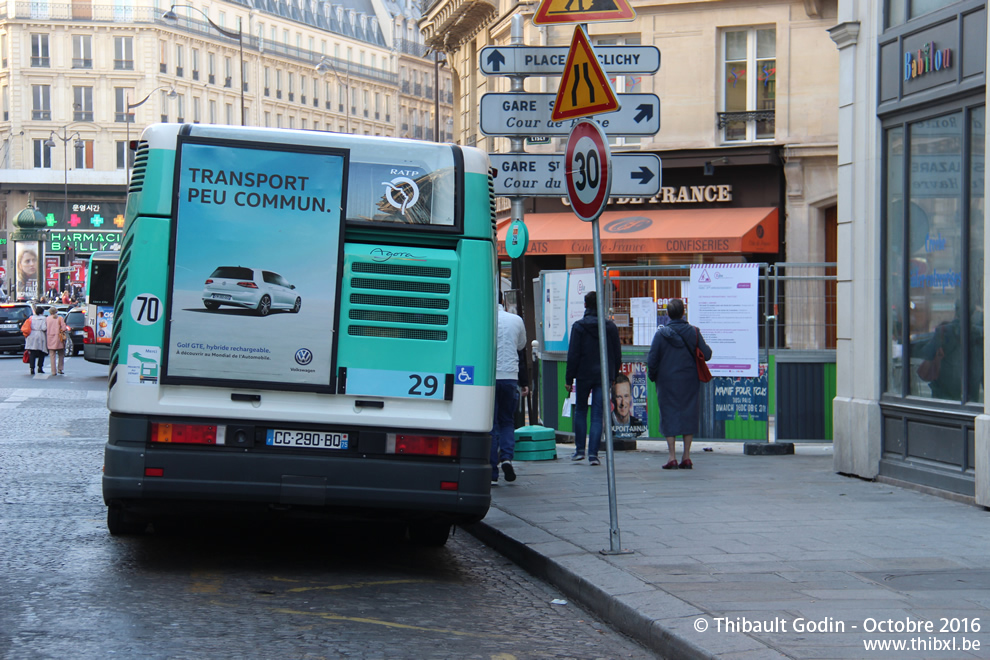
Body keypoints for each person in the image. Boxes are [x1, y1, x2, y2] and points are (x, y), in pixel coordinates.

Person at [647, 298, 712, 470]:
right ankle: (687, 456)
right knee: (689, 414)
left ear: (667, 314)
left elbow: (652, 359)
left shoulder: (661, 334)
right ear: (683, 313)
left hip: (667, 381)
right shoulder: (694, 332)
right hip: (689, 380)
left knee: (668, 415)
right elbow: (707, 354)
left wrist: (653, 376)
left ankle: (671, 457)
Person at [564, 291, 621, 466]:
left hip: (583, 374)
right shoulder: (609, 327)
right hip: (603, 374)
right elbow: (617, 353)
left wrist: (569, 377)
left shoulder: (578, 327)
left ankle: (579, 450)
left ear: (585, 305)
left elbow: (573, 354)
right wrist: (614, 374)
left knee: (581, 410)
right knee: (597, 415)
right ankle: (593, 455)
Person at [491, 290, 529, 485]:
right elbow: (521, 346)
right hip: (510, 377)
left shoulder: (484, 320)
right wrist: (525, 382)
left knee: (491, 424)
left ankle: (492, 472)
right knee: (507, 421)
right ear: (503, 300)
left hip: (489, 378)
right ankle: (506, 457)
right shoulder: (516, 320)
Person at [611, 373, 647, 439]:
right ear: (613, 399)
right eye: (619, 397)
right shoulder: (605, 424)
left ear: (631, 397)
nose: (623, 402)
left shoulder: (639, 426)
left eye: (626, 396)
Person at [23, 304, 48, 375]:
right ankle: (40, 367)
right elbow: (44, 328)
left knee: (32, 353)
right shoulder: (43, 318)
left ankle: (32, 368)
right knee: (41, 353)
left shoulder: (30, 318)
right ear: (42, 312)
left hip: (31, 335)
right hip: (40, 335)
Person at [45, 307, 69, 376]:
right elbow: (64, 328)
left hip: (50, 338)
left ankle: (53, 371)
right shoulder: (60, 318)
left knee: (52, 355)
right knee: (61, 354)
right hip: (59, 338)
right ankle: (60, 369)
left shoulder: (47, 319)